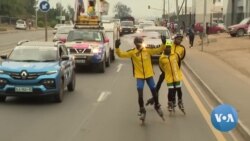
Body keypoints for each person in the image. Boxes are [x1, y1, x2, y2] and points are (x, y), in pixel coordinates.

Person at [115, 36, 166, 121]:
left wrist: (163, 43)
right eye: (139, 43)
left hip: (149, 75)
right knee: (140, 92)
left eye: (141, 42)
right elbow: (121, 54)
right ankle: (142, 109)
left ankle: (157, 105)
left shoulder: (148, 50)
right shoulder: (132, 52)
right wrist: (117, 47)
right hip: (139, 76)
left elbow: (159, 50)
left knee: (154, 90)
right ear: (135, 44)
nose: (141, 44)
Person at [146, 34, 186, 109]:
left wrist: (176, 68)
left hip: (174, 68)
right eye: (178, 39)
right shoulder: (170, 43)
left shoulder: (182, 48)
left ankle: (174, 100)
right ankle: (154, 98)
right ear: (175, 39)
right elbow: (162, 49)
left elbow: (181, 58)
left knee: (175, 87)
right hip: (166, 68)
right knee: (159, 83)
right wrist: (163, 42)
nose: (179, 41)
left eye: (180, 40)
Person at [159, 40, 185, 113]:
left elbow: (179, 63)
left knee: (179, 89)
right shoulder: (162, 58)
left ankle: (180, 101)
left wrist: (177, 70)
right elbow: (161, 67)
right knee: (170, 90)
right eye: (166, 47)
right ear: (164, 48)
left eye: (169, 47)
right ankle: (170, 103)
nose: (168, 49)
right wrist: (167, 72)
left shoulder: (176, 55)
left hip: (177, 75)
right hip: (169, 76)